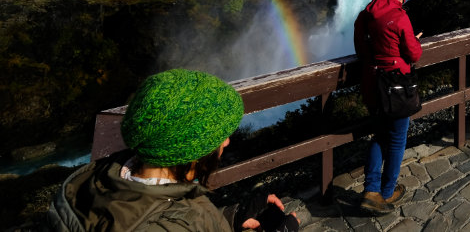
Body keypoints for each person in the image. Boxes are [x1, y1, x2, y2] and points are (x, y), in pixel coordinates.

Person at [47, 69, 297, 231]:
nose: (227, 142)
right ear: (190, 149)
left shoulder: (94, 182)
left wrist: (232, 217)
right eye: (219, 135)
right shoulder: (179, 221)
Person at [353, 0, 423, 215]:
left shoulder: (364, 16)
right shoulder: (398, 16)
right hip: (395, 87)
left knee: (378, 135)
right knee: (397, 139)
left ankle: (370, 189)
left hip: (372, 83)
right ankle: (386, 192)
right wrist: (413, 41)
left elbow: (361, 51)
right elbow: (414, 54)